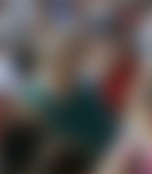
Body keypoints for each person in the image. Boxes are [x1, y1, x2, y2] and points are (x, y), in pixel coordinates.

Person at [23, 30, 117, 160]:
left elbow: (106, 129)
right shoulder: (35, 98)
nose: (74, 61)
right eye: (68, 55)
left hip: (102, 151)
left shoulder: (85, 88)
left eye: (77, 56)